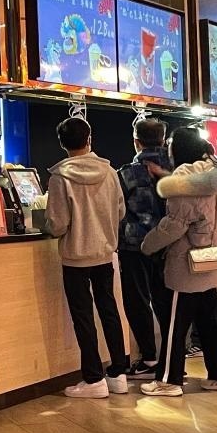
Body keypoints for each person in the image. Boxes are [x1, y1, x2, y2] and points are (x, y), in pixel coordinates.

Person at [140, 126, 217, 397]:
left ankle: (168, 381)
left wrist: (148, 244)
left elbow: (175, 224)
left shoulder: (184, 179)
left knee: (175, 325)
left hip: (186, 264)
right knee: (211, 323)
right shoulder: (212, 175)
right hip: (211, 259)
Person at [45, 117, 129, 398]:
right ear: (89, 138)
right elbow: (120, 211)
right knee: (110, 311)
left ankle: (94, 379)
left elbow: (57, 224)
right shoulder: (110, 172)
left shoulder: (60, 177)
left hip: (75, 259)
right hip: (104, 254)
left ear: (62, 143)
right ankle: (118, 373)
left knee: (83, 318)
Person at [117, 117, 172, 380]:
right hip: (167, 243)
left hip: (134, 245)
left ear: (136, 141)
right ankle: (172, 356)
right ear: (163, 139)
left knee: (138, 301)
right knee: (167, 301)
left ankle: (149, 358)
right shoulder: (177, 168)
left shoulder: (127, 172)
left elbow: (117, 209)